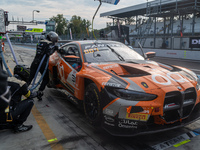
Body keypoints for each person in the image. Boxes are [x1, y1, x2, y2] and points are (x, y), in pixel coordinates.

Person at [0, 66, 37, 133]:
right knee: (30, 101)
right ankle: (19, 125)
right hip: (7, 115)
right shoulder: (21, 84)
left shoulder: (5, 79)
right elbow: (30, 95)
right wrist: (38, 93)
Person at [27, 31, 58, 100]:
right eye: (55, 39)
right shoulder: (49, 43)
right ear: (52, 38)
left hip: (35, 62)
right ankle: (40, 92)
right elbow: (49, 52)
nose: (55, 41)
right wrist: (56, 48)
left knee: (30, 78)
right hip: (42, 64)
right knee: (46, 78)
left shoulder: (40, 42)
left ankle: (22, 91)